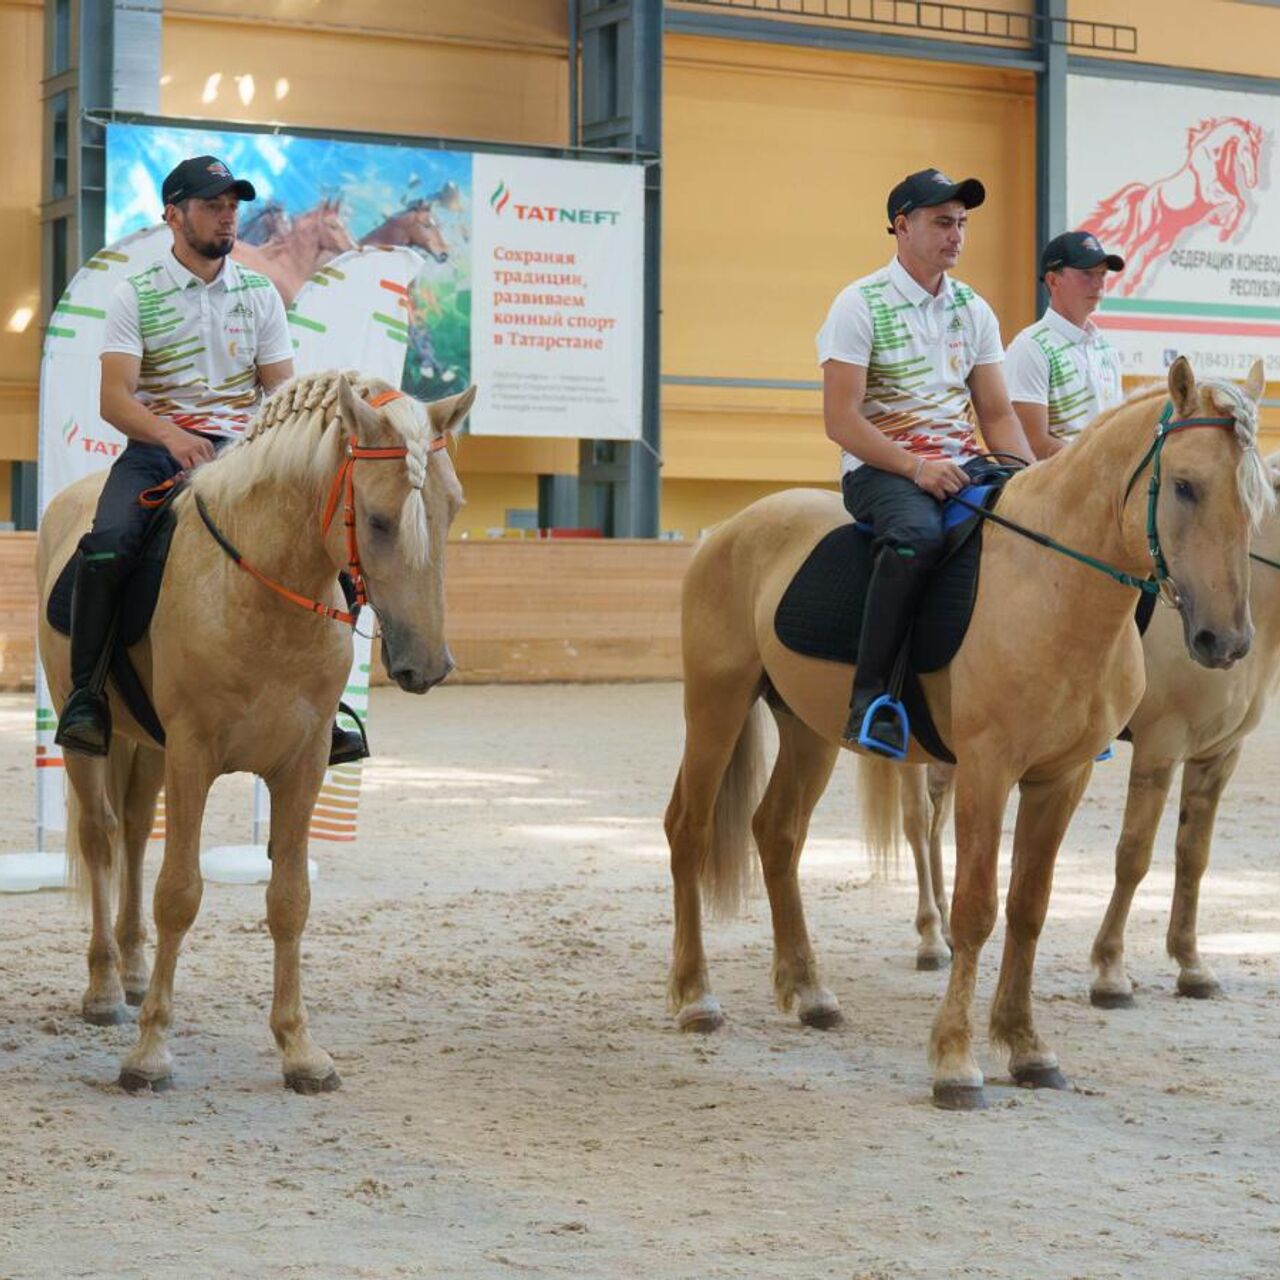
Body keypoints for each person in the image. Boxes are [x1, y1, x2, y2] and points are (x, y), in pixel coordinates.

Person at [55, 154, 368, 767]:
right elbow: (115, 399)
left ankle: (324, 709)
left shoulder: (261, 295)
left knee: (336, 548)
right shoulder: (134, 295)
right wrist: (171, 437)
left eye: (232, 207)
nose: (227, 218)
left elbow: (278, 391)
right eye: (212, 205)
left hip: (243, 453)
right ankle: (88, 696)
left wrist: (277, 443)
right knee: (109, 545)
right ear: (174, 214)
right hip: (156, 451)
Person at [817, 167, 1034, 756]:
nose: (956, 235)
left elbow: (996, 412)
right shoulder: (858, 304)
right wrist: (916, 468)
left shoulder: (973, 308)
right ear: (902, 225)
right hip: (882, 470)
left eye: (961, 223)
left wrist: (1031, 477)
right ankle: (872, 702)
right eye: (943, 222)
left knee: (1035, 528)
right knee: (915, 538)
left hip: (964, 461)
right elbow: (842, 421)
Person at [1003, 231, 1126, 459]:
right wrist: (1098, 463)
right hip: (1055, 488)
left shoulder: (1107, 351)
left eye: (1102, 274)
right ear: (1053, 280)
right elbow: (1032, 443)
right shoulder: (1030, 347)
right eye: (1087, 274)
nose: (1098, 283)